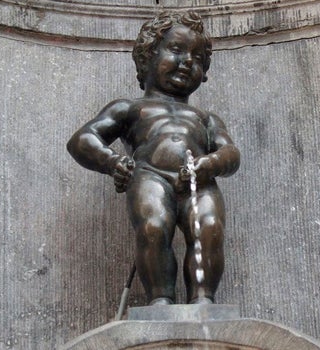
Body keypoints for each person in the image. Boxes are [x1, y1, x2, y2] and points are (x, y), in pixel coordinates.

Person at [67, 11, 240, 305]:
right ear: (148, 56)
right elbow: (82, 140)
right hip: (149, 175)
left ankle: (203, 300)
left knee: (210, 228)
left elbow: (230, 153)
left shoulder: (205, 118)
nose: (187, 61)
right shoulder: (130, 109)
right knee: (153, 227)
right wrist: (112, 162)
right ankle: (160, 299)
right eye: (176, 50)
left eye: (197, 57)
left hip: (200, 178)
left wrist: (208, 164)